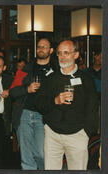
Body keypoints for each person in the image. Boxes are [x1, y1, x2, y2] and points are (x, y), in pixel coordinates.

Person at [36, 39, 98, 170]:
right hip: (52, 135)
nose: (62, 57)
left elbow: (93, 108)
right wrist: (55, 101)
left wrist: (86, 132)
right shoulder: (50, 79)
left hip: (77, 135)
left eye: (66, 53)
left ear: (75, 55)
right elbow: (39, 104)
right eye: (59, 53)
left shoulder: (86, 79)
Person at [9, 38, 57, 170]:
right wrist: (27, 89)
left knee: (41, 154)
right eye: (39, 46)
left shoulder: (57, 70)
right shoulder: (26, 69)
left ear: (51, 50)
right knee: (27, 157)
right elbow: (12, 92)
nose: (40, 49)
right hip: (24, 114)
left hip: (44, 117)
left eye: (44, 46)